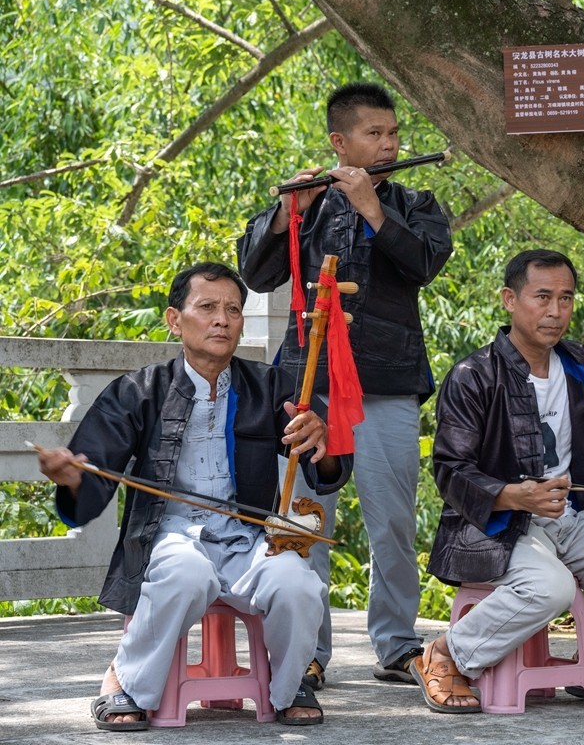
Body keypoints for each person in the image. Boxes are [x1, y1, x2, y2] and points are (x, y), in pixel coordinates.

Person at [37, 262, 351, 730]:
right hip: (169, 537)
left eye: (232, 310)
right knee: (185, 574)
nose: (222, 319)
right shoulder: (138, 391)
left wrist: (322, 441)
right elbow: (92, 472)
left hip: (247, 538)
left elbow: (327, 469)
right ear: (174, 319)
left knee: (299, 583)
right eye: (206, 307)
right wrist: (71, 478)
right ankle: (127, 681)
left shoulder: (273, 387)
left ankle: (288, 688)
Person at [412, 249, 584, 713]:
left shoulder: (580, 364)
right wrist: (509, 495)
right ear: (509, 299)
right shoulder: (473, 375)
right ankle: (445, 654)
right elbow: (449, 469)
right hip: (497, 527)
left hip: (573, 519)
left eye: (565, 298)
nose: (555, 311)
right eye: (541, 296)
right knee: (552, 586)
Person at [238, 82, 453, 689]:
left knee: (391, 521)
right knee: (306, 516)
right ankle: (306, 646)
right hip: (309, 385)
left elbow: (425, 264)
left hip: (385, 382)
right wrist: (285, 211)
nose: (388, 146)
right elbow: (255, 272)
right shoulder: (306, 205)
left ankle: (395, 642)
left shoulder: (415, 203)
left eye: (392, 134)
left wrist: (373, 210)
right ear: (341, 142)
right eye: (373, 135)